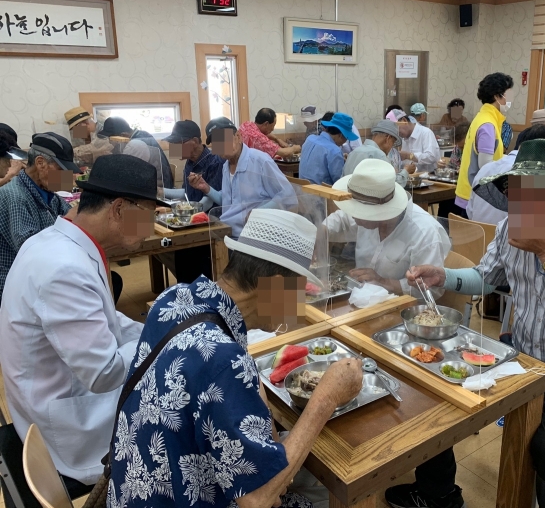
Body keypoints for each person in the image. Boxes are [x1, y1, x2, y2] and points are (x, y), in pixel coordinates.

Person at [387, 139, 545, 508]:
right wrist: (444, 275)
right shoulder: (508, 228)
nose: (521, 205)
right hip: (523, 358)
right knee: (435, 394)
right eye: (515, 193)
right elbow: (486, 278)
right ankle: (438, 495)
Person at [108, 208, 364, 507]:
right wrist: (327, 398)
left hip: (133, 489)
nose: (298, 305)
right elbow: (258, 500)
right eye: (297, 291)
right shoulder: (222, 358)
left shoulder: (175, 298)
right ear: (275, 284)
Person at [0, 154, 166, 495]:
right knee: (177, 411)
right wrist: (164, 338)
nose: (150, 228)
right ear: (118, 209)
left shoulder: (57, 241)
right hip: (65, 427)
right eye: (148, 215)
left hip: (48, 395)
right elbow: (103, 373)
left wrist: (155, 327)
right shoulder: (63, 268)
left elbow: (105, 320)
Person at [325, 159, 451, 298]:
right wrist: (320, 234)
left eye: (358, 211)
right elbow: (341, 221)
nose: (353, 215)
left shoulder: (424, 233)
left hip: (399, 306)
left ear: (380, 213)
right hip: (359, 297)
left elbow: (432, 290)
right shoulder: (366, 215)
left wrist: (383, 282)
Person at [0, 132, 80, 300]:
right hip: (19, 289)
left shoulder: (48, 193)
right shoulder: (14, 196)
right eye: (62, 170)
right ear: (40, 163)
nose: (67, 177)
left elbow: (75, 220)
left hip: (41, 278)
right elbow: (32, 250)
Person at [188, 118, 298, 238]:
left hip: (253, 235)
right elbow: (229, 202)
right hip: (228, 232)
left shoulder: (260, 161)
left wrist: (257, 213)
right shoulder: (226, 166)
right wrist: (206, 188)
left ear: (238, 137)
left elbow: (288, 196)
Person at [467, 123, 545, 223]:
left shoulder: (485, 168)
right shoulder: (535, 177)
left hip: (477, 231)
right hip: (510, 233)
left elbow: (470, 212)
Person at [454, 72, 514, 218]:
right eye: (509, 95)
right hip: (476, 197)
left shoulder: (483, 118)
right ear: (497, 96)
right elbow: (486, 168)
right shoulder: (487, 124)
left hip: (470, 193)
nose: (511, 100)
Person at [162, 119, 224, 211]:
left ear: (194, 142)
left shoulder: (215, 162)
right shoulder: (190, 162)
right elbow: (187, 192)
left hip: (211, 216)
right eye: (173, 143)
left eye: (178, 143)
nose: (174, 148)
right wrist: (160, 191)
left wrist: (187, 213)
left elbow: (209, 201)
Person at [343, 119, 411, 186]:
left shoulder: (354, 152)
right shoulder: (379, 155)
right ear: (388, 138)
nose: (391, 148)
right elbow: (394, 184)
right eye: (392, 143)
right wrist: (406, 171)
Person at [299, 113, 355, 185]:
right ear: (340, 135)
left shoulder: (309, 139)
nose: (343, 144)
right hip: (321, 191)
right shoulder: (335, 151)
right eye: (346, 138)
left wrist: (340, 158)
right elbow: (339, 182)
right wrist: (347, 165)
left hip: (302, 189)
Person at [388, 109, 441, 173]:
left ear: (404, 120)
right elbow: (405, 162)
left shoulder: (425, 133)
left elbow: (431, 157)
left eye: (397, 129)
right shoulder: (404, 138)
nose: (397, 133)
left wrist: (408, 155)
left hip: (429, 176)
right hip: (413, 176)